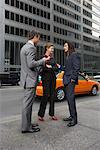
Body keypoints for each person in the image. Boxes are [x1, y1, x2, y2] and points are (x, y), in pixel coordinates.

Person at [20, 30, 50, 133]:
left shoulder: (24, 47)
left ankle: (27, 124)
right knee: (27, 105)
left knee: (27, 104)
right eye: (39, 38)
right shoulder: (31, 48)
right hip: (30, 80)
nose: (39, 40)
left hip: (26, 79)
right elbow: (31, 64)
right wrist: (43, 60)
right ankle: (26, 127)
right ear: (35, 37)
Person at [38, 42, 61, 121]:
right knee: (45, 96)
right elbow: (43, 68)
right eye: (51, 48)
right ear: (47, 48)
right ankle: (41, 115)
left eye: (53, 49)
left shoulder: (52, 58)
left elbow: (57, 68)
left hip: (53, 79)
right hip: (45, 79)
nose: (52, 50)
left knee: (52, 96)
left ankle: (52, 114)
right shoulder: (42, 58)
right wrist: (52, 67)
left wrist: (50, 67)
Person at [63, 42, 81, 127]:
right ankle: (71, 116)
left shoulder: (74, 54)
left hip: (70, 80)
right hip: (66, 80)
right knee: (69, 99)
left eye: (65, 46)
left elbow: (76, 67)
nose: (64, 47)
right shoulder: (68, 56)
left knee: (71, 99)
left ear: (69, 46)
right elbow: (67, 69)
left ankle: (74, 119)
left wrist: (73, 79)